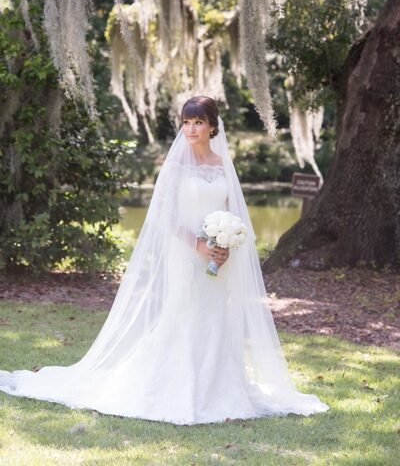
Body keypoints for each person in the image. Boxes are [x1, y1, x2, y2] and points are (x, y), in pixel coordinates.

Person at [0, 96, 329, 425]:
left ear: (213, 126)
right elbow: (165, 215)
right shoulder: (175, 166)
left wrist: (226, 244)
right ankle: (173, 383)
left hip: (217, 256)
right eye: (186, 123)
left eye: (198, 122)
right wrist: (198, 245)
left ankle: (218, 386)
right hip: (184, 254)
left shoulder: (222, 165)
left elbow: (232, 213)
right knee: (182, 311)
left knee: (214, 314)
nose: (191, 129)